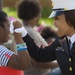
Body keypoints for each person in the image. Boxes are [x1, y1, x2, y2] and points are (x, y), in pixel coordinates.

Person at [16, 0, 75, 75]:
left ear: (70, 18)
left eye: (57, 18)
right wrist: (24, 34)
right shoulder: (61, 41)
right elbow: (40, 55)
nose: (54, 23)